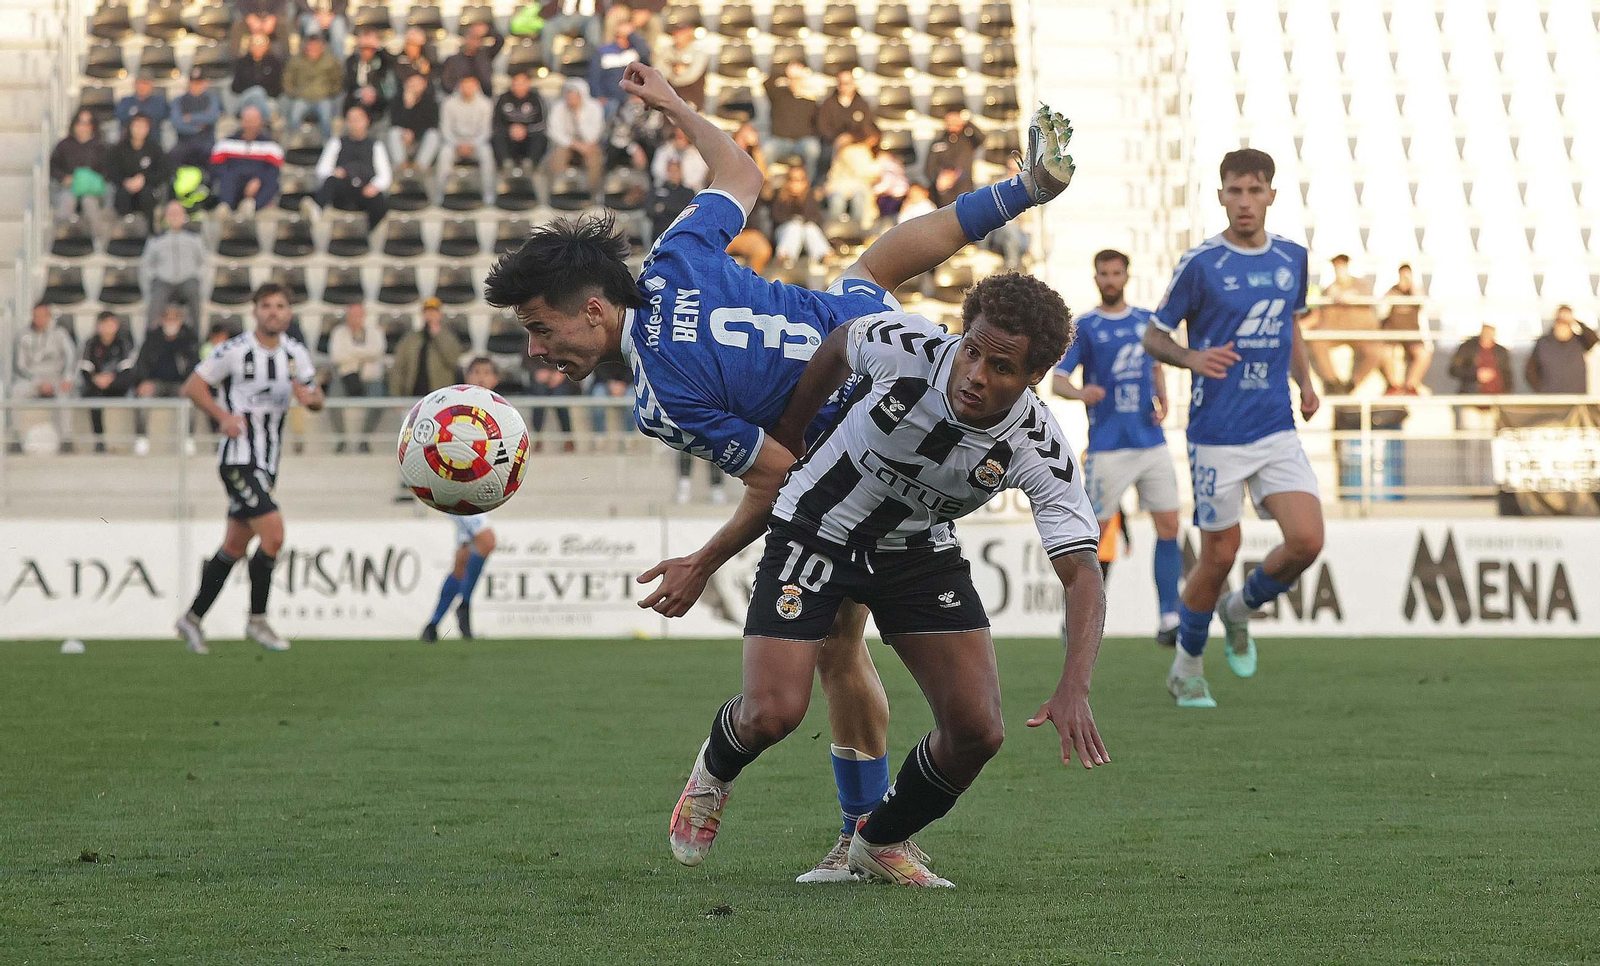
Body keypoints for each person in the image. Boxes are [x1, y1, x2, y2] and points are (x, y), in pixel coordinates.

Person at [483, 66, 1076, 880]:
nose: (538, 354)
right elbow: (742, 175)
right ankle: (1019, 190)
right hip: (874, 346)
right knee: (867, 281)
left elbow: (780, 473)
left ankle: (843, 830)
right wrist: (676, 107)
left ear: (593, 310)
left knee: (836, 656)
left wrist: (703, 561)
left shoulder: (664, 396)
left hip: (865, 450)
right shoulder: (671, 256)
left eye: (540, 331)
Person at [667, 281, 1109, 885]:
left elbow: (1082, 570)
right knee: (772, 714)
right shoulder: (908, 347)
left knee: (979, 732)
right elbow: (840, 343)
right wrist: (793, 429)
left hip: (917, 552)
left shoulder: (1037, 444)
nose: (975, 374)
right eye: (971, 351)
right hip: (818, 524)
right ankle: (711, 775)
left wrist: (1074, 687)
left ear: (1034, 376)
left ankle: (881, 840)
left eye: (1000, 366)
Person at [1141, 148, 1323, 709]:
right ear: (1221, 196)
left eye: (1255, 191)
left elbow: (1290, 327)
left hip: (1275, 427)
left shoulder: (1293, 257)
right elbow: (1154, 335)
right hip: (1217, 432)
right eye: (1235, 192)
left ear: (1271, 195)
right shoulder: (1201, 264)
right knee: (1219, 554)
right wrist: (1191, 360)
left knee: (1307, 540)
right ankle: (1187, 666)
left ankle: (1239, 609)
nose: (1245, 202)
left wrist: (1306, 382)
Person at [173, 283, 325, 655]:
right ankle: (257, 619)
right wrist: (222, 416)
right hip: (238, 459)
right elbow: (192, 387)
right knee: (274, 535)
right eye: (267, 306)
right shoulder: (234, 350)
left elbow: (315, 396)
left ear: (288, 313)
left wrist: (312, 398)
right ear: (255, 311)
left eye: (280, 306)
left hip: (268, 463)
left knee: (234, 547)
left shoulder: (295, 353)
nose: (274, 312)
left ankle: (191, 619)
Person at [1052, 250, 1181, 644]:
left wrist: (1163, 398)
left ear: (1127, 276)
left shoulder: (1145, 321)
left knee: (1170, 525)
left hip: (1150, 441)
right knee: (1093, 537)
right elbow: (1057, 379)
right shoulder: (1086, 326)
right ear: (1096, 279)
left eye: (1116, 273)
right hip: (1108, 447)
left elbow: (1157, 364)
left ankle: (1169, 617)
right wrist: (1079, 392)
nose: (1110, 279)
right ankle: (1077, 617)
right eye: (1104, 273)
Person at [421, 357, 503, 641]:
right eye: (476, 373)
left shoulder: (499, 415)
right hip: (456, 486)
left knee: (463, 559)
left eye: (487, 373)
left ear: (495, 380)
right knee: (487, 540)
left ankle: (431, 626)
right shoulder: (456, 409)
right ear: (467, 378)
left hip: (476, 489)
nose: (481, 378)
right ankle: (465, 605)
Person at [1305, 253, 1381, 395]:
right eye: (1337, 266)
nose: (1339, 269)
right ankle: (1333, 382)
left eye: (1342, 265)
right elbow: (1319, 314)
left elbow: (1362, 296)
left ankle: (1353, 383)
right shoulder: (1329, 289)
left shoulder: (1362, 284)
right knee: (1317, 342)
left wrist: (1344, 295)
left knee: (1375, 351)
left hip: (1361, 333)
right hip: (1335, 331)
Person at [132, 300, 201, 455]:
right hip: (155, 383)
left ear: (180, 321)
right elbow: (141, 363)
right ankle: (141, 439)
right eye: (167, 318)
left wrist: (188, 384)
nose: (171, 322)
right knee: (143, 398)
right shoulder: (152, 339)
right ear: (162, 321)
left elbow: (195, 365)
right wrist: (143, 381)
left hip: (180, 384)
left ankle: (188, 439)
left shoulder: (189, 339)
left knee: (191, 399)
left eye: (174, 319)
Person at [311, 104, 391, 229]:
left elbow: (385, 175)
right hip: (344, 189)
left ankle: (366, 233)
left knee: (380, 202)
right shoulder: (336, 143)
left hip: (366, 189)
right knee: (331, 182)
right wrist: (335, 172)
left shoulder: (376, 145)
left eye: (358, 119)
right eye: (351, 120)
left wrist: (374, 186)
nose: (354, 124)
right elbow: (321, 169)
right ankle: (315, 210)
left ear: (367, 121)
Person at [10, 302, 77, 446]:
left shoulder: (60, 334)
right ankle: (15, 438)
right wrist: (38, 382)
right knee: (15, 392)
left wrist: (67, 378)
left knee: (65, 395)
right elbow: (19, 366)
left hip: (56, 378)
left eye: (42, 316)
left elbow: (71, 356)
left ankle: (67, 439)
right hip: (33, 380)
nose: (39, 319)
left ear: (49, 317)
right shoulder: (23, 336)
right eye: (36, 316)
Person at [326, 302, 386, 452]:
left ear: (364, 316)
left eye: (358, 315)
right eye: (352, 315)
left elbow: (377, 351)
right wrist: (364, 354)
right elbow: (336, 356)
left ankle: (364, 440)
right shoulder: (338, 332)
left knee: (378, 401)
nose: (355, 319)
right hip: (345, 377)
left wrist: (351, 353)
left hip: (370, 378)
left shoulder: (375, 331)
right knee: (332, 400)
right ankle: (342, 439)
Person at [140, 201, 207, 332]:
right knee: (154, 304)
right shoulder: (156, 239)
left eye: (178, 213)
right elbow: (146, 263)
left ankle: (195, 340)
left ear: (184, 216)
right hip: (163, 281)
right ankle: (150, 340)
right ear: (166, 217)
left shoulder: (195, 238)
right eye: (171, 214)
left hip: (188, 279)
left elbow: (204, 261)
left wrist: (198, 276)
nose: (175, 217)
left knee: (195, 298)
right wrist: (153, 277)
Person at [78, 311, 136, 452]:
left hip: (117, 385)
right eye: (105, 324)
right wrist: (96, 379)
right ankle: (99, 440)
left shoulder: (123, 343)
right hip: (96, 386)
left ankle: (120, 442)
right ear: (99, 326)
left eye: (112, 324)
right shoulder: (91, 343)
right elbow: (85, 369)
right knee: (92, 397)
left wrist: (111, 379)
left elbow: (127, 369)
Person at [210, 105, 284, 214]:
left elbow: (273, 171)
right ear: (242, 121)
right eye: (247, 120)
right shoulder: (225, 143)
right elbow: (217, 167)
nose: (250, 124)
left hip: (257, 184)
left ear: (260, 121)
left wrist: (258, 179)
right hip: (234, 182)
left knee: (271, 182)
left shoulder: (271, 146)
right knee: (227, 177)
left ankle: (252, 209)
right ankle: (225, 208)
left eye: (253, 120)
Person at [436, 74, 496, 205]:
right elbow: (445, 129)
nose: (467, 88)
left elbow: (486, 131)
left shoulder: (485, 104)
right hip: (454, 143)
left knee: (486, 153)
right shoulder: (449, 103)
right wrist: (458, 144)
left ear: (476, 86)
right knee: (444, 153)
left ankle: (488, 195)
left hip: (476, 144)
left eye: (471, 85)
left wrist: (472, 144)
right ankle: (440, 195)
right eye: (465, 85)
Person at [389, 297, 464, 397]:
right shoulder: (411, 339)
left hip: (440, 395)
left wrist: (437, 336)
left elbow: (453, 361)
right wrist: (396, 396)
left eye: (434, 312)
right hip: (413, 394)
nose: (431, 316)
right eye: (428, 312)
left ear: (440, 314)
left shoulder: (449, 339)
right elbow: (399, 368)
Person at [547, 79, 605, 202]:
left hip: (589, 145)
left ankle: (592, 195)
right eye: (569, 95)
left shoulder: (594, 107)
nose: (570, 98)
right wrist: (573, 144)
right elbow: (554, 132)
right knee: (557, 157)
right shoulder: (558, 107)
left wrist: (577, 115)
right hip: (567, 144)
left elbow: (593, 135)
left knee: (594, 157)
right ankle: (560, 193)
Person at [49, 108, 109, 226]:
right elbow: (53, 167)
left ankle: (97, 239)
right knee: (68, 199)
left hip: (92, 191)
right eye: (80, 123)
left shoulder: (100, 147)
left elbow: (106, 170)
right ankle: (63, 234)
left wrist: (91, 180)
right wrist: (64, 178)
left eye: (87, 124)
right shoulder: (64, 145)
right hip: (68, 188)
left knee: (89, 202)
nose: (83, 127)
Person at [763, 59, 821, 180]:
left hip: (803, 141)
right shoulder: (779, 95)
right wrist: (785, 71)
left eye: (797, 79)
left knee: (813, 149)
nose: (794, 82)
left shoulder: (811, 99)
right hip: (780, 140)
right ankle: (765, 187)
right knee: (766, 150)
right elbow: (767, 83)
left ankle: (808, 186)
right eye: (791, 79)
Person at [1378, 263, 1431, 394]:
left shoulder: (1415, 291)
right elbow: (1381, 308)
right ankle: (1393, 385)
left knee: (1424, 353)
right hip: (1392, 332)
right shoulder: (1393, 291)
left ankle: (1411, 385)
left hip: (1412, 333)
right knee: (1385, 352)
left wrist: (1411, 286)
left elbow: (1422, 301)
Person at [107, 113, 165, 227]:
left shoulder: (155, 149)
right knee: (122, 195)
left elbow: (163, 172)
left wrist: (144, 179)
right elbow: (112, 171)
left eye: (143, 127)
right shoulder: (119, 149)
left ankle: (149, 231)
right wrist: (125, 181)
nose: (139, 130)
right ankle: (122, 231)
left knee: (147, 194)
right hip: (124, 188)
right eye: (136, 126)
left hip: (148, 188)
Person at [815, 70, 877, 177]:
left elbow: (867, 128)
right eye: (841, 83)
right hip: (832, 144)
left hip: (856, 145)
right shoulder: (828, 104)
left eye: (847, 83)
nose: (844, 86)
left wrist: (851, 138)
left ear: (853, 85)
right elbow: (823, 127)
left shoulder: (863, 105)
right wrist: (838, 139)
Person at [283, 31, 344, 137]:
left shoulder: (330, 61)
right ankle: (290, 144)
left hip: (323, 97)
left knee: (326, 117)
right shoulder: (296, 60)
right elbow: (288, 80)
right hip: (301, 97)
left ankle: (328, 146)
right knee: (294, 116)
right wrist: (294, 93)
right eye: (310, 46)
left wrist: (330, 93)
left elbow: (338, 81)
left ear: (322, 47)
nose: (313, 49)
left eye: (316, 46)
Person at [1525, 306, 1596, 394]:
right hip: (1550, 399)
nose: (1562, 327)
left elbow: (1593, 339)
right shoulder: (1543, 343)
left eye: (1566, 323)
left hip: (1576, 397)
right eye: (1560, 322)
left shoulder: (1580, 341)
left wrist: (1577, 322)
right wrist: (1542, 389)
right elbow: (1530, 371)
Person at [770, 164, 830, 268]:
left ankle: (823, 256)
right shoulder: (779, 196)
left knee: (810, 228)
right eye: (792, 179)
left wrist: (801, 198)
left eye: (800, 180)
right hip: (785, 232)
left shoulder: (810, 196)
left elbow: (815, 218)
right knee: (794, 226)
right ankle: (785, 258)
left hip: (806, 233)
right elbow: (777, 218)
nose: (795, 183)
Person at [590, 18, 649, 113]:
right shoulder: (602, 52)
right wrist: (599, 96)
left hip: (632, 98)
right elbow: (594, 76)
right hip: (609, 99)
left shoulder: (636, 51)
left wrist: (632, 35)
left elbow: (646, 55)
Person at [926, 109, 983, 207]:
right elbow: (929, 169)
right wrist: (941, 177)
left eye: (955, 120)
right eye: (950, 120)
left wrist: (967, 122)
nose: (953, 123)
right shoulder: (937, 143)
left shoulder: (968, 141)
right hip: (944, 191)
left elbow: (981, 138)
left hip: (964, 187)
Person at [493, 71, 549, 170]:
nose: (518, 86)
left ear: (528, 84)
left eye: (522, 83)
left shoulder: (536, 99)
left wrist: (525, 130)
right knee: (497, 137)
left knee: (540, 137)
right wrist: (511, 130)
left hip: (529, 136)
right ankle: (506, 163)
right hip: (508, 136)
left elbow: (542, 123)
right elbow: (496, 122)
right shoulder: (503, 98)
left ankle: (530, 163)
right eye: (516, 83)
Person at [388, 72, 442, 173]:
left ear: (424, 85)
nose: (414, 86)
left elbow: (432, 123)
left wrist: (414, 133)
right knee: (394, 132)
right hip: (403, 140)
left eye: (418, 83)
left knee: (434, 135)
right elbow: (394, 122)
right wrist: (408, 107)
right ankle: (401, 167)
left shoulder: (430, 102)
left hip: (421, 140)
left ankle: (420, 168)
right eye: (411, 82)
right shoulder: (397, 100)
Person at [824, 132, 879, 229]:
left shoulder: (863, 151)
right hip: (839, 186)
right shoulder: (850, 151)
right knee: (837, 201)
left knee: (858, 198)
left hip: (857, 187)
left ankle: (856, 231)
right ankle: (834, 230)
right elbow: (866, 171)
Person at [170, 70, 223, 169]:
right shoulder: (178, 101)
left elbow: (212, 117)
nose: (196, 86)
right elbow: (177, 123)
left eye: (199, 83)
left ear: (205, 83)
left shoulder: (212, 98)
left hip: (206, 141)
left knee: (214, 157)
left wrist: (190, 118)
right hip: (184, 142)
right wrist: (198, 127)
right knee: (173, 156)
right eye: (194, 83)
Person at [343, 25, 395, 122]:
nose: (367, 52)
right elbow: (348, 84)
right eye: (363, 48)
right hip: (356, 101)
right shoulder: (351, 61)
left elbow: (392, 63)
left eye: (370, 48)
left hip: (378, 102)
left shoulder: (383, 60)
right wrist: (360, 92)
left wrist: (373, 92)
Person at [228, 32, 285, 120]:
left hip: (268, 99)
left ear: (267, 46)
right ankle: (267, 121)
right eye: (255, 45)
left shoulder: (274, 63)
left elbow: (277, 87)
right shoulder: (242, 63)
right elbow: (235, 86)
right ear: (250, 46)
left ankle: (250, 123)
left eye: (261, 45)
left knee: (261, 100)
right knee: (257, 92)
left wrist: (263, 94)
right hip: (245, 97)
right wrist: (253, 90)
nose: (257, 48)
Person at [1448, 324, 1513, 395]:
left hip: (1497, 398)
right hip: (1472, 397)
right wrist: (1476, 374)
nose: (1488, 333)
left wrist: (1507, 393)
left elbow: (1507, 374)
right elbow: (1454, 370)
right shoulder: (1467, 348)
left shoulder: (1501, 351)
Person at [441, 20, 502, 95]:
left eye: (477, 39)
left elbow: (500, 41)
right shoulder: (453, 60)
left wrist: (487, 30)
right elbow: (446, 82)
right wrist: (464, 88)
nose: (473, 42)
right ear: (466, 39)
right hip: (458, 96)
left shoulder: (486, 55)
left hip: (484, 95)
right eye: (471, 38)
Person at [655, 23, 706, 108]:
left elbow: (691, 75)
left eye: (682, 33)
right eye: (676, 33)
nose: (678, 36)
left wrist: (675, 76)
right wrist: (674, 72)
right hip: (668, 94)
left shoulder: (699, 53)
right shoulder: (667, 51)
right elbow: (658, 70)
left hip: (690, 96)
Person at [538, 0, 602, 67]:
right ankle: (548, 66)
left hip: (589, 17)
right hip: (567, 16)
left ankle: (597, 64)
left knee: (594, 28)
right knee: (548, 27)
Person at [647, 158, 695, 243]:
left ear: (681, 172)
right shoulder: (657, 190)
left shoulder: (688, 192)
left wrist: (664, 207)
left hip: (680, 235)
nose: (673, 174)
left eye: (675, 171)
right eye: (670, 171)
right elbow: (649, 211)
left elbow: (686, 212)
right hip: (659, 234)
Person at [650, 125, 706, 191]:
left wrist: (680, 176)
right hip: (666, 190)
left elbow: (699, 177)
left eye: (682, 136)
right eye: (677, 135)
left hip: (691, 192)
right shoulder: (664, 150)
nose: (679, 138)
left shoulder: (697, 154)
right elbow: (656, 170)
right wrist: (672, 177)